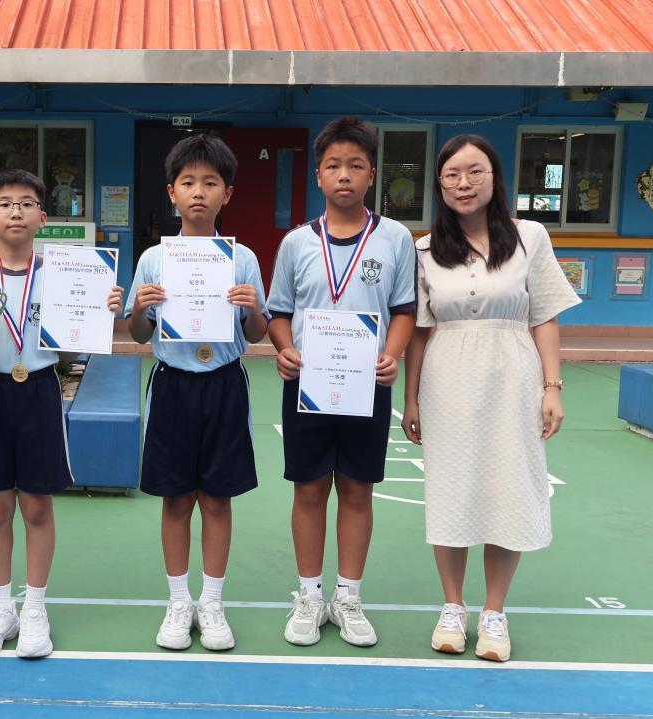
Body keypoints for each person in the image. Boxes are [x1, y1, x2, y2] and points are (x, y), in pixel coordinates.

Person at [401, 134, 579, 663]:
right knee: (452, 489)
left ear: (495, 178)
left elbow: (543, 314)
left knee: (509, 488)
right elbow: (420, 331)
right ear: (439, 183)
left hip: (514, 375)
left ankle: (495, 613)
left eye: (475, 171)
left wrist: (553, 387)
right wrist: (409, 400)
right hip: (447, 377)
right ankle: (452, 607)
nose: (463, 183)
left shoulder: (530, 237)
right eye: (452, 174)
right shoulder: (425, 249)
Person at [0, 169, 124, 658]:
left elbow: (81, 341)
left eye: (27, 204)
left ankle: (35, 608)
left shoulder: (67, 275)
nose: (16, 211)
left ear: (43, 218)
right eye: (5, 204)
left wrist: (105, 307)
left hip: (41, 391)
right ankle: (1, 607)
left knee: (38, 506)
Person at [267, 117, 415, 649]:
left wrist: (392, 355)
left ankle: (347, 595)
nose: (344, 175)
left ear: (372, 175)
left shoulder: (395, 238)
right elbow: (278, 312)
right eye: (334, 166)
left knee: (356, 488)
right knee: (309, 488)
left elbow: (404, 310)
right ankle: (309, 594)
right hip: (307, 386)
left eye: (356, 165)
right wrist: (284, 349)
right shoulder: (295, 243)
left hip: (367, 384)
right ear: (319, 176)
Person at [126, 134, 269, 652]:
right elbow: (141, 336)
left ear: (227, 194)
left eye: (211, 183)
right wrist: (140, 307)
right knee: (175, 498)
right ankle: (177, 600)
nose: (199, 192)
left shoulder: (244, 259)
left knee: (217, 497)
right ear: (171, 192)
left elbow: (255, 335)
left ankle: (212, 601)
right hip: (172, 385)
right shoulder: (152, 261)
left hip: (226, 384)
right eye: (189, 182)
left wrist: (253, 307)